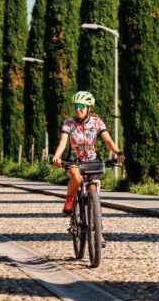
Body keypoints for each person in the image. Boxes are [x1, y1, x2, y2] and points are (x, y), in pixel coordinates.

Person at [52, 91, 124, 243]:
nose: (78, 109)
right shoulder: (69, 123)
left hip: (91, 160)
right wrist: (57, 156)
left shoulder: (97, 122)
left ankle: (97, 232)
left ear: (89, 107)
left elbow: (108, 141)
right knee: (77, 179)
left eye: (81, 106)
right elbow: (63, 143)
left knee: (94, 192)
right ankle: (69, 201)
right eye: (76, 106)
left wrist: (118, 153)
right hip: (74, 160)